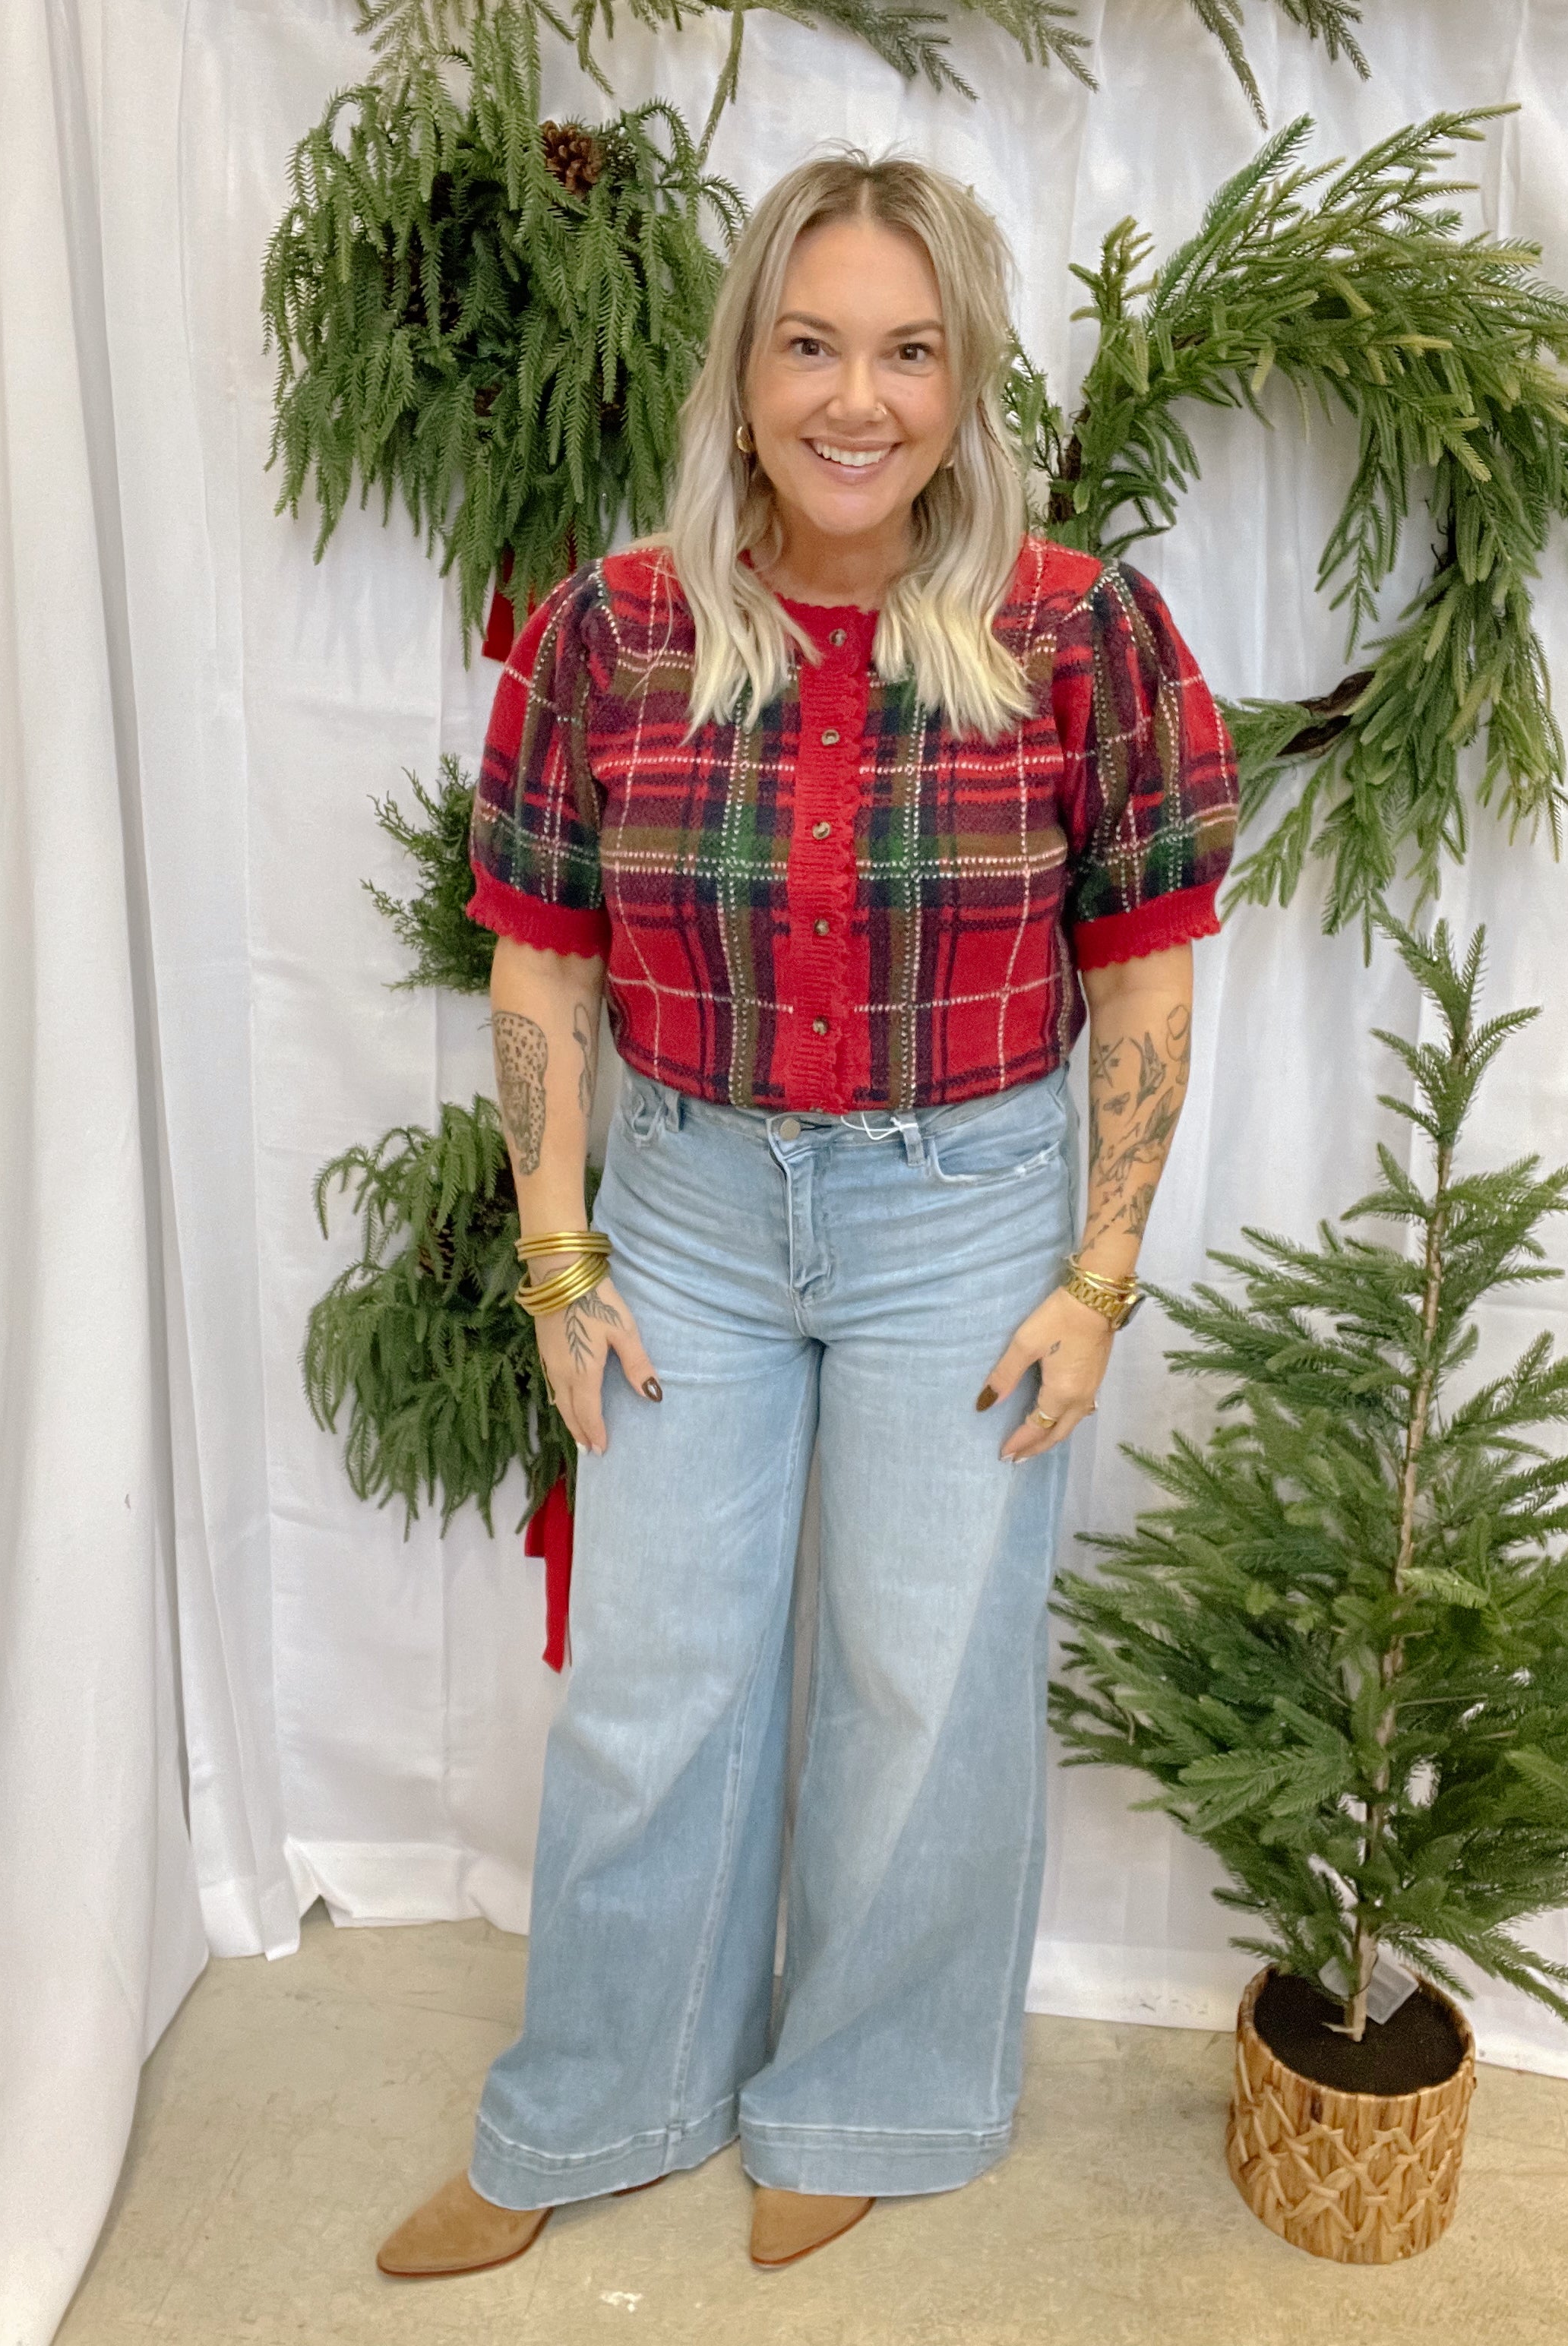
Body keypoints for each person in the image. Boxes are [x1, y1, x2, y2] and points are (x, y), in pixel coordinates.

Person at [375, 146, 1238, 2281]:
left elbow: (1140, 968)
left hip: (966, 1215)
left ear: (966, 379)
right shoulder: (609, 630)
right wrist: (557, 1253)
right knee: (655, 1683)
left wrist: (1096, 1279)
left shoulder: (1076, 628)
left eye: (908, 351)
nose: (857, 400)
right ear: (743, 367)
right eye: (812, 345)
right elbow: (541, 955)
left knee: (920, 1683)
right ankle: (596, 2098)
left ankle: (867, 2088)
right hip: (676, 1211)